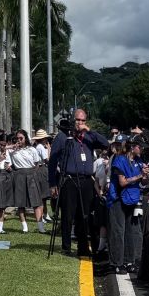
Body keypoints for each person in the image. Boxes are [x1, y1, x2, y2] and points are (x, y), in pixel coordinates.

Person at [49, 108, 109, 256]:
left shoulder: (88, 137)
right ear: (72, 120)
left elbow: (105, 143)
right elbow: (52, 162)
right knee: (68, 215)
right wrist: (52, 183)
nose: (80, 123)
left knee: (85, 215)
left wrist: (89, 131)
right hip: (69, 180)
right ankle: (66, 246)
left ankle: (83, 247)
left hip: (87, 181)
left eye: (83, 120)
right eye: (78, 120)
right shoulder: (63, 137)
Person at [107, 140, 143, 274]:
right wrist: (139, 176)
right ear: (133, 148)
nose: (142, 149)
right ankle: (117, 263)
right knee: (118, 231)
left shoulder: (138, 160)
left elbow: (143, 180)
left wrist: (148, 174)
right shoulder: (119, 159)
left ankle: (129, 261)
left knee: (130, 231)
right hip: (118, 198)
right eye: (140, 146)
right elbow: (122, 182)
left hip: (132, 198)